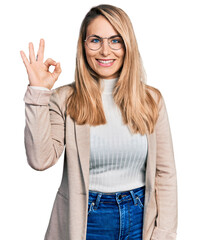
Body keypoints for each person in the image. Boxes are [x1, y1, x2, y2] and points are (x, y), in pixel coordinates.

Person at [20, 4, 178, 240]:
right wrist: (38, 92)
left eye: (115, 40)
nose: (105, 51)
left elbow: (165, 174)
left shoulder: (151, 99)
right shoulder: (64, 99)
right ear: (83, 46)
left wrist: (164, 233)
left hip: (141, 219)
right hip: (88, 220)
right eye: (95, 40)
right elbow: (40, 160)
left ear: (127, 46)